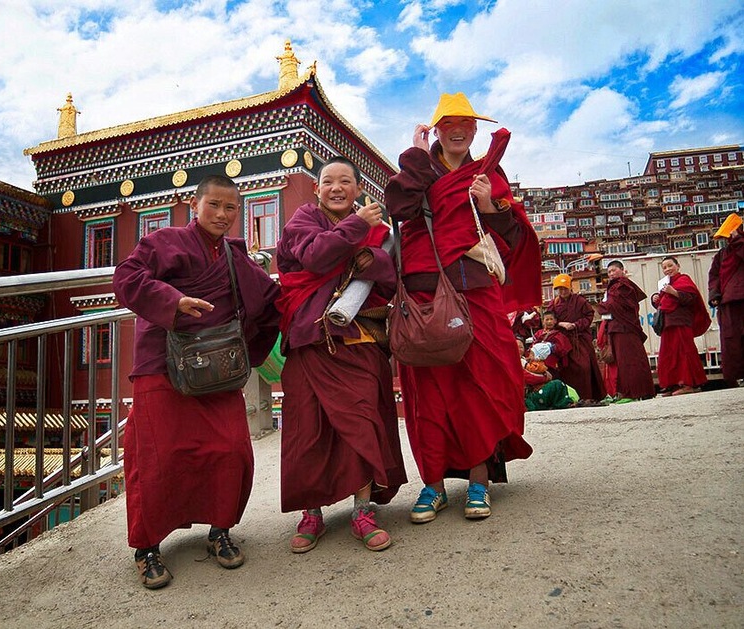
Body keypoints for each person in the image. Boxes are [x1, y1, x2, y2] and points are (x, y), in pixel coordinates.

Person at [112, 175, 280, 589]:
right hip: (163, 362)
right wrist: (173, 301)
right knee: (157, 456)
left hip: (218, 368)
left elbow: (269, 301)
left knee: (231, 448)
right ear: (195, 204)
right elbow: (127, 277)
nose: (222, 215)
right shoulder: (165, 242)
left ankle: (220, 530)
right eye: (215, 206)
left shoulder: (235, 256)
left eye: (231, 208)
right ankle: (146, 547)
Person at [384, 92, 539, 523]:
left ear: (475, 131)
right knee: (428, 392)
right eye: (448, 124)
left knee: (486, 384)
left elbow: (513, 234)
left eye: (466, 125)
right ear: (436, 130)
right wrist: (414, 157)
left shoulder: (487, 172)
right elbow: (401, 206)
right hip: (424, 292)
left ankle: (478, 480)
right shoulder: (420, 165)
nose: (458, 131)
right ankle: (432, 484)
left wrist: (490, 206)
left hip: (475, 289)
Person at [275, 156, 406, 553]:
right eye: (328, 181)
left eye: (344, 181)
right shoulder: (303, 220)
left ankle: (362, 510)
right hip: (311, 340)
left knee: (363, 421)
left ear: (357, 189)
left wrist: (375, 257)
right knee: (308, 430)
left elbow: (391, 274)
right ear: (316, 190)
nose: (335, 187)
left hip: (359, 337)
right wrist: (357, 228)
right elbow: (314, 256)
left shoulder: (377, 230)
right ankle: (311, 512)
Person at [594, 260, 655, 401]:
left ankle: (637, 391)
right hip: (617, 327)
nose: (611, 274)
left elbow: (613, 305)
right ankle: (630, 391)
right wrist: (604, 306)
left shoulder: (623, 285)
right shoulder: (614, 287)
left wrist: (602, 306)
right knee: (623, 361)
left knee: (631, 360)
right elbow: (610, 306)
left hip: (625, 328)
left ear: (622, 270)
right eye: (609, 272)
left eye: (614, 270)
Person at [650, 256, 711, 396]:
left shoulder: (684, 280)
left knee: (684, 352)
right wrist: (656, 299)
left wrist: (674, 292)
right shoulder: (665, 284)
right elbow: (663, 304)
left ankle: (689, 383)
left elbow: (691, 299)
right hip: (668, 323)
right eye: (664, 267)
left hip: (681, 322)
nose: (667, 269)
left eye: (670, 265)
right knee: (668, 355)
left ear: (678, 266)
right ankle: (672, 384)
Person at [548, 274, 607, 401]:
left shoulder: (579, 300)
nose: (563, 292)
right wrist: (559, 324)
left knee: (584, 367)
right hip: (563, 342)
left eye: (565, 288)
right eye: (560, 289)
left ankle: (589, 396)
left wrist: (576, 325)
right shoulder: (554, 303)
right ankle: (570, 399)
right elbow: (548, 320)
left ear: (570, 288)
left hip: (579, 339)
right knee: (566, 370)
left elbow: (589, 315)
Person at [707, 213, 744, 387]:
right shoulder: (722, 254)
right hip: (728, 302)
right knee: (731, 340)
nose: (727, 238)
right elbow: (714, 276)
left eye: (730, 233)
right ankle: (737, 375)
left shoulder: (741, 246)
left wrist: (738, 240)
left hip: (742, 298)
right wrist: (714, 294)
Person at [518, 339, 578, 411]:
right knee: (557, 384)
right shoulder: (519, 363)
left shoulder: (533, 363)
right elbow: (529, 378)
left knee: (558, 385)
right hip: (530, 394)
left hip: (536, 389)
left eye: (521, 347)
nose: (518, 349)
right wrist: (545, 377)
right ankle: (562, 403)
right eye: (516, 346)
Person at [532, 310, 571, 375]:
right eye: (547, 319)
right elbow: (533, 345)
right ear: (543, 321)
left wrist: (550, 347)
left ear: (555, 321)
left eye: (551, 319)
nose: (549, 321)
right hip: (537, 361)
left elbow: (562, 348)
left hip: (551, 363)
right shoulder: (538, 333)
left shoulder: (558, 334)